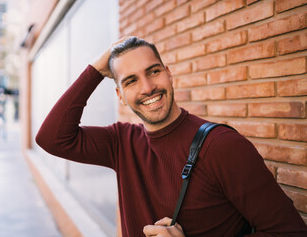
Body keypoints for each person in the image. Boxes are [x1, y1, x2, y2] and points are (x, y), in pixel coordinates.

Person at [36, 37, 307, 237]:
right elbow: (52, 138)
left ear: (169, 74)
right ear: (120, 95)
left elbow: (289, 232)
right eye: (130, 81)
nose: (148, 87)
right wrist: (95, 70)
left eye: (153, 71)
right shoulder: (121, 142)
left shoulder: (222, 146)